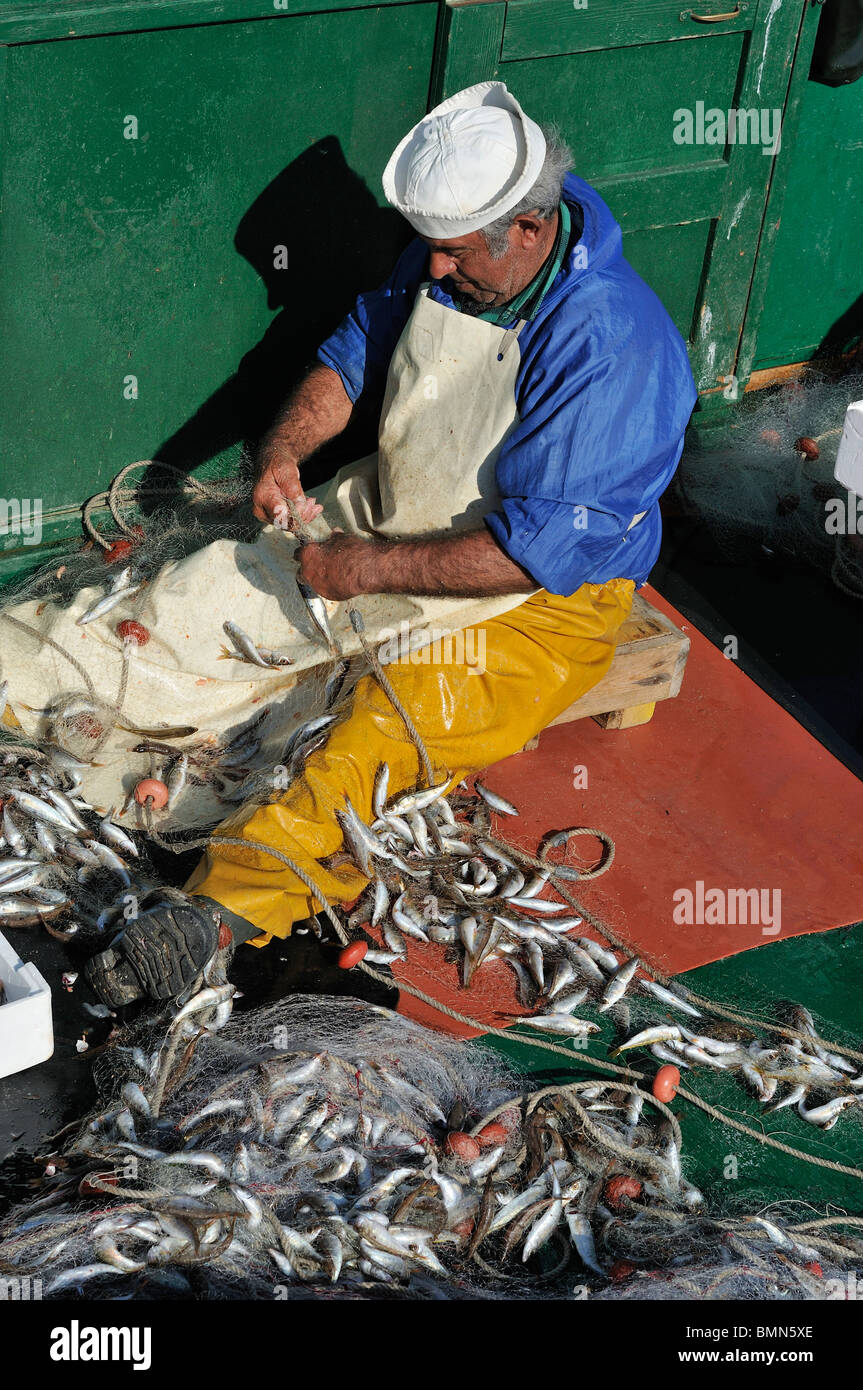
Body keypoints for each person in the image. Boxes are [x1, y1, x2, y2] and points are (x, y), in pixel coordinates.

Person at [87, 81, 697, 1008]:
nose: (435, 269)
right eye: (434, 249)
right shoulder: (450, 257)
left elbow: (532, 553)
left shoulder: (612, 345)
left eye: (454, 252)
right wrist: (288, 449)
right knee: (189, 603)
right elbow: (350, 354)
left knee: (377, 730)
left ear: (527, 230)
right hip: (390, 522)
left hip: (538, 603)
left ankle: (215, 917)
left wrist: (355, 570)